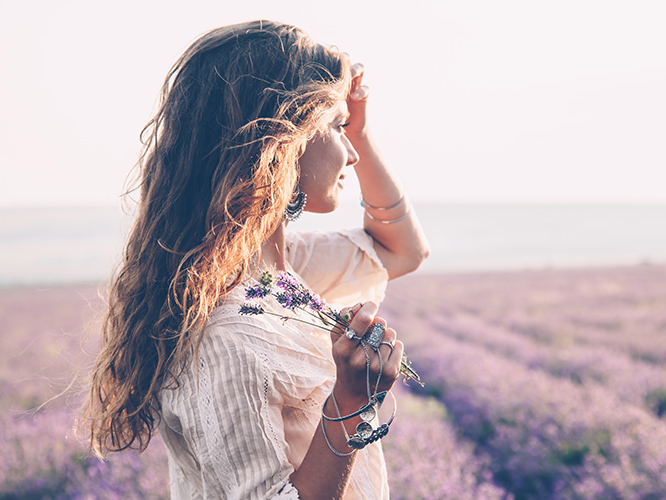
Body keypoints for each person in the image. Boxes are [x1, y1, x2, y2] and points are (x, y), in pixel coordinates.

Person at [80, 20, 429, 499]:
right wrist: (348, 404)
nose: (351, 155)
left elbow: (404, 250)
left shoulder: (280, 275)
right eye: (336, 128)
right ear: (285, 142)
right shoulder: (226, 332)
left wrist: (361, 132)